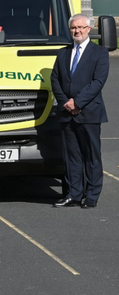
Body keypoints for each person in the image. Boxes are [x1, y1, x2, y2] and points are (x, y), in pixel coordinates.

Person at [51, 13, 109, 208]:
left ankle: (91, 196)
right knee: (72, 157)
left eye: (81, 28)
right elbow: (55, 79)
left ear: (89, 29)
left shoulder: (99, 53)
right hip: (67, 113)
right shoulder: (63, 53)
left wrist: (78, 103)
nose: (77, 31)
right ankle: (74, 194)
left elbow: (98, 82)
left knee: (91, 156)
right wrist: (66, 103)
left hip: (89, 113)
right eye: (74, 28)